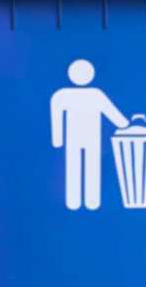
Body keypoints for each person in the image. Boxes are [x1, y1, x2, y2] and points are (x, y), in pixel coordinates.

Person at [50, 59, 128, 211]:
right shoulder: (94, 95)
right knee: (89, 166)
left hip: (77, 138)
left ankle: (75, 201)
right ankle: (91, 201)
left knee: (76, 165)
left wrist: (57, 140)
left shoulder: (64, 95)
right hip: (90, 138)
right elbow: (113, 114)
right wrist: (124, 124)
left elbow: (56, 116)